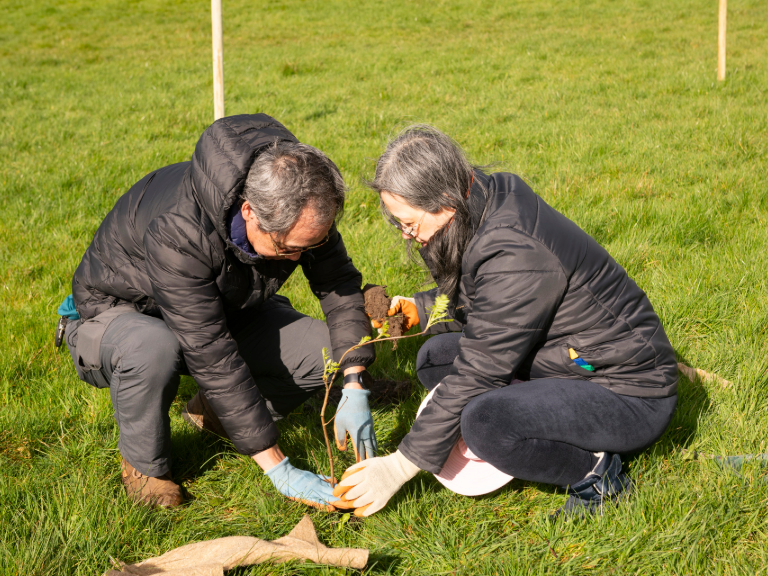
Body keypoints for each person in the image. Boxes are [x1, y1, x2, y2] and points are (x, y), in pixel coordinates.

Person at [334, 125, 678, 517]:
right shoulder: (482, 198)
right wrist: (423, 308)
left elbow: (480, 367)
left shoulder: (514, 251)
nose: (406, 237)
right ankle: (535, 414)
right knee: (434, 358)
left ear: (445, 201)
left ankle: (598, 476)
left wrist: (400, 466)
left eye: (409, 224)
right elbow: (487, 294)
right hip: (573, 356)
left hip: (628, 389)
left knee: (486, 423)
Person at [59, 113, 377, 509]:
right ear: (250, 213)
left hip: (222, 307)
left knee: (326, 352)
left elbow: (340, 288)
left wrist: (353, 381)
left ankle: (216, 415)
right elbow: (212, 352)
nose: (299, 258)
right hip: (122, 313)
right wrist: (280, 468)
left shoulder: (307, 205)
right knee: (153, 348)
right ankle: (145, 467)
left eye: (310, 246)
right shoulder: (179, 232)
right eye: (289, 250)